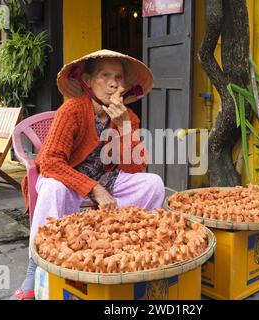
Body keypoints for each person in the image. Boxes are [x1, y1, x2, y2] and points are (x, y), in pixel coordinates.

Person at [11, 50, 165, 300]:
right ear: (87, 80)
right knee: (53, 189)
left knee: (153, 184)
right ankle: (34, 268)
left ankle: (122, 241)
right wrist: (93, 187)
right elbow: (49, 161)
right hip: (68, 178)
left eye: (118, 77)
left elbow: (135, 167)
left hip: (108, 179)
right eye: (105, 75)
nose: (114, 83)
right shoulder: (72, 110)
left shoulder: (128, 117)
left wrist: (125, 127)